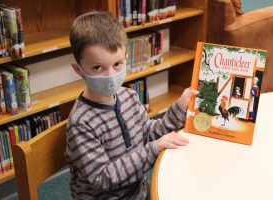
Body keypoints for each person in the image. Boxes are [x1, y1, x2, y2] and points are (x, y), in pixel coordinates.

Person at [65, 11, 198, 200]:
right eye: (97, 67)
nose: (110, 75)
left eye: (117, 64)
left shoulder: (129, 96)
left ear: (126, 58)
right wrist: (154, 148)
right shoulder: (81, 122)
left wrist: (179, 108)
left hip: (139, 192)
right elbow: (103, 177)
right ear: (78, 69)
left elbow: (148, 134)